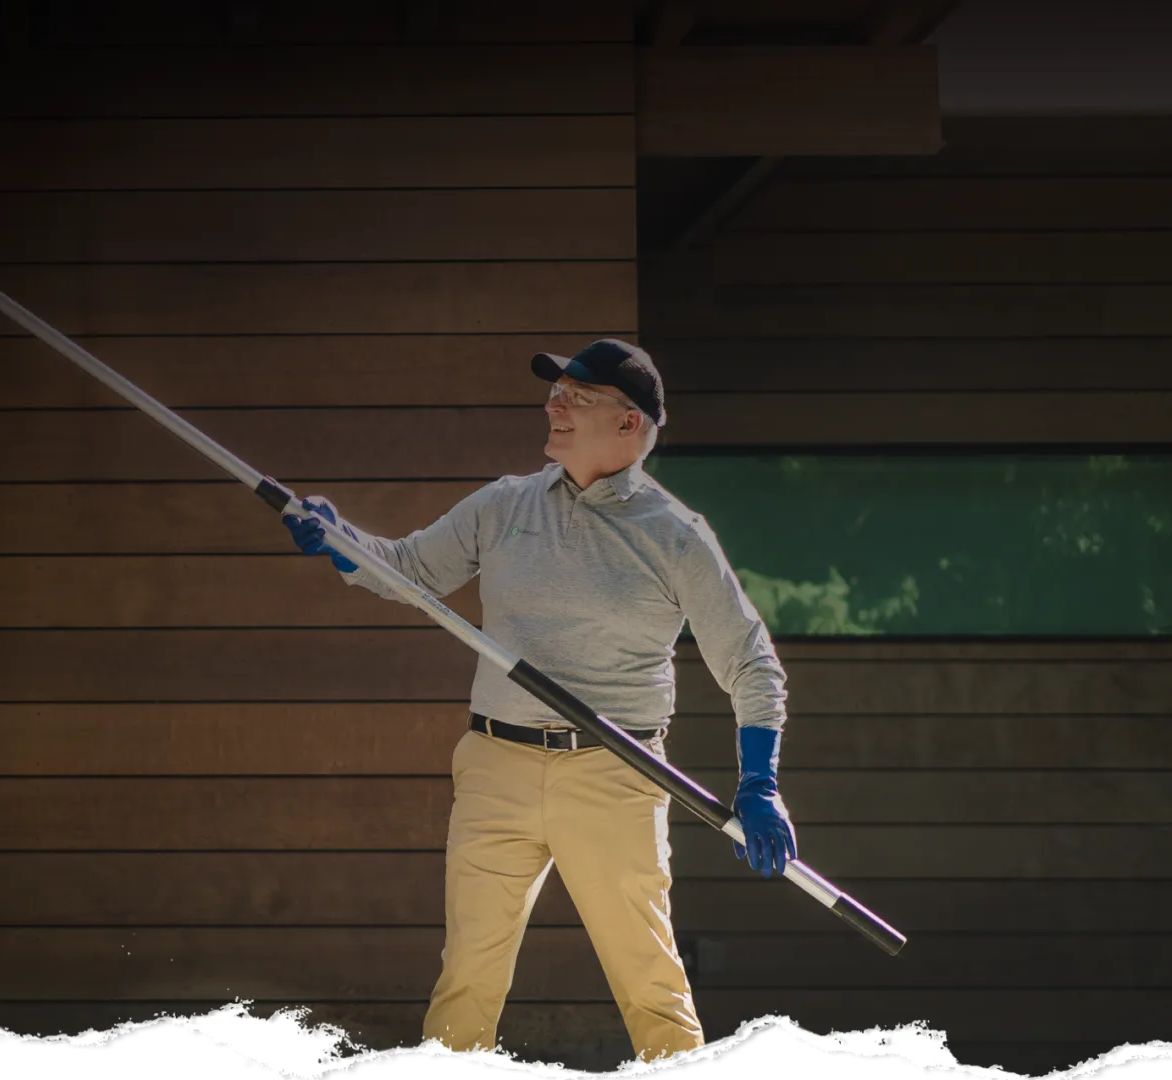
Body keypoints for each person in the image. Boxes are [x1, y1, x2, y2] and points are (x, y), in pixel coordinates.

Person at [279, 339, 796, 1064]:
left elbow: (751, 662)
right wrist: (343, 542)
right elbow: (409, 569)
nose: (554, 404)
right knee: (467, 977)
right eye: (555, 391)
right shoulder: (505, 503)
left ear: (629, 423)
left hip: (615, 773)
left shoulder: (676, 537)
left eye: (576, 396)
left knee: (650, 982)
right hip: (497, 764)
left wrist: (759, 781)